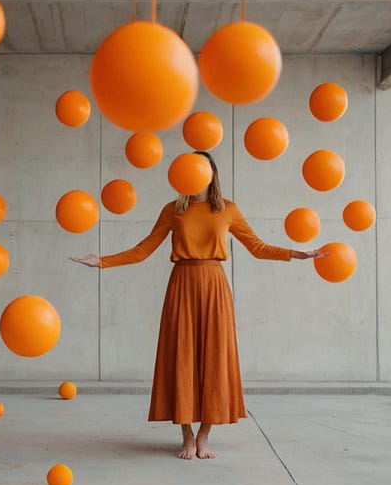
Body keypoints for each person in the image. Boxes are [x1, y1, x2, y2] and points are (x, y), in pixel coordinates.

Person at [71, 151, 320, 460]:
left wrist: (297, 253)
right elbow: (143, 249)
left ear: (211, 174)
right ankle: (187, 435)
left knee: (214, 357)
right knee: (183, 356)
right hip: (182, 285)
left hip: (215, 286)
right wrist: (101, 262)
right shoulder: (174, 210)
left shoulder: (227, 209)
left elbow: (256, 247)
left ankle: (204, 434)